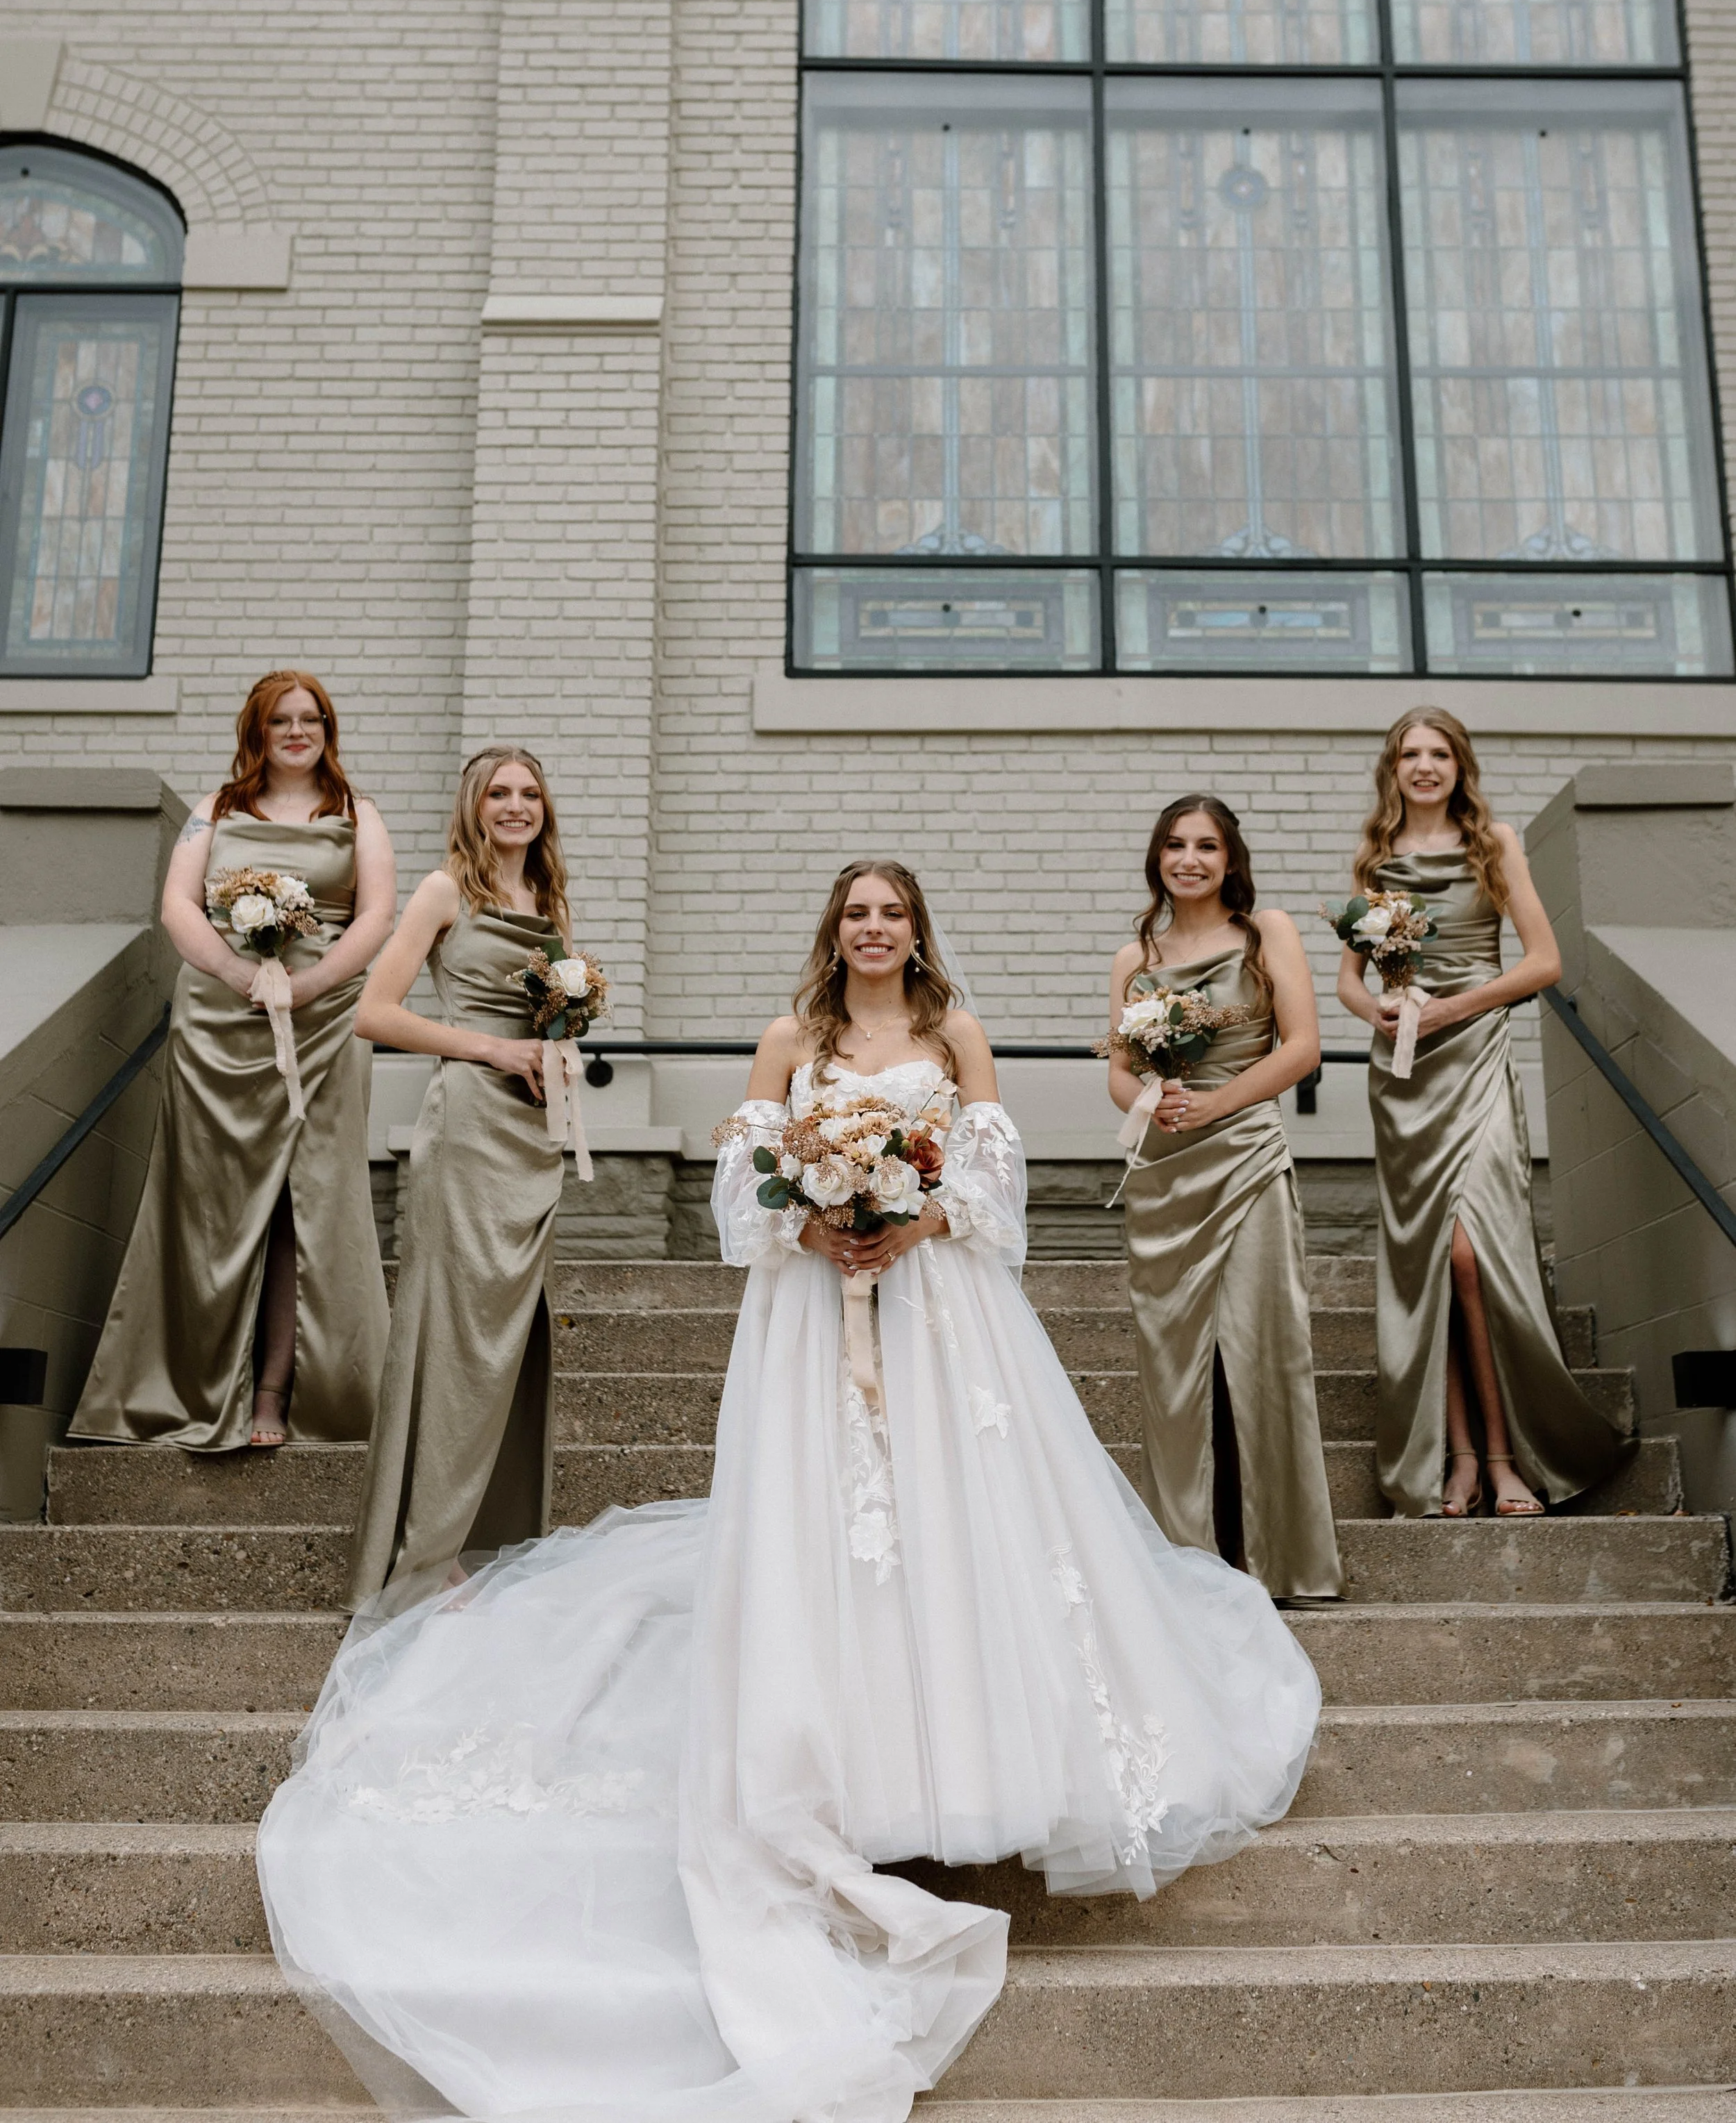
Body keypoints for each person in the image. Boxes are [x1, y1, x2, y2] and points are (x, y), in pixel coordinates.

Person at [256, 859, 1319, 2123]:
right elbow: (743, 1174)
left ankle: (968, 1765)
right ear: (837, 932)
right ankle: (845, 1770)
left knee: (954, 1533)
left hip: (939, 1317)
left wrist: (911, 1220)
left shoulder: (955, 1032)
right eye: (857, 913)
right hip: (815, 1317)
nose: (876, 930)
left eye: (894, 913)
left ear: (918, 931)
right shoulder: (788, 1036)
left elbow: (994, 1174)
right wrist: (814, 1219)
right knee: (831, 1543)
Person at [71, 671, 394, 1451]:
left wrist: (309, 982)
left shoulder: (357, 813)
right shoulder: (217, 812)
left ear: (327, 728)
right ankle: (188, 1385)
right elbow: (178, 906)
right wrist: (237, 972)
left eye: (310, 719)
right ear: (256, 729)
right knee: (207, 1200)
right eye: (280, 720)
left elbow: (379, 913)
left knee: (303, 1202)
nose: (296, 731)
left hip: (321, 1027)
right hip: (222, 1022)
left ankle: (277, 1395)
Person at [1338, 707, 1631, 1518]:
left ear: (1459, 766)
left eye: (1438, 754)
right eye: (1408, 754)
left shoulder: (1493, 843)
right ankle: (1459, 1461)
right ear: (1391, 770)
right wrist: (1384, 1016)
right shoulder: (1376, 861)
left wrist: (1450, 1009)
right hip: (1403, 1075)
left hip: (1472, 1058)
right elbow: (1347, 982)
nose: (1423, 767)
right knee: (1433, 1263)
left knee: (1473, 1259)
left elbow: (1542, 962)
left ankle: (1507, 1459)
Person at [346, 746, 581, 1618]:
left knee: (508, 1343)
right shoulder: (449, 890)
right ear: (475, 808)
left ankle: (488, 1530)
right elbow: (375, 1011)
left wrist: (556, 1042)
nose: (514, 807)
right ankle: (426, 1551)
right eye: (498, 794)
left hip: (530, 1132)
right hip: (469, 1126)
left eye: (528, 793)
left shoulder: (547, 903)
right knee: (453, 1334)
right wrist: (491, 1047)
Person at [1106, 797, 1339, 1604]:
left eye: (1206, 846)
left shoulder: (1265, 932)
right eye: (1174, 844)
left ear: (1229, 858)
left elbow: (1303, 1047)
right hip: (1165, 1171)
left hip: (1243, 1154)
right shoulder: (1134, 955)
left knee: (1261, 1341)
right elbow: (1117, 1071)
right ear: (1157, 857)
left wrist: (1216, 1102)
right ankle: (1187, 1557)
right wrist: (1153, 1099)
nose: (1189, 859)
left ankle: (1281, 1558)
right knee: (1174, 1363)